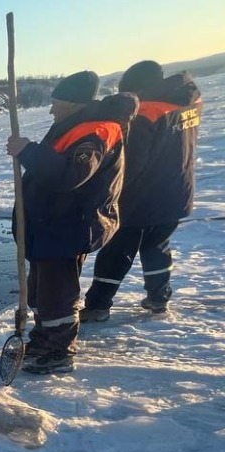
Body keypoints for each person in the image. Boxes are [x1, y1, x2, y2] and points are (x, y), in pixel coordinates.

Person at [6, 71, 138, 374]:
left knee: (57, 294)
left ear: (73, 103)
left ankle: (59, 352)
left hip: (67, 227)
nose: (51, 109)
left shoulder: (95, 133)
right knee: (41, 291)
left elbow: (70, 175)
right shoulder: (75, 126)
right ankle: (44, 340)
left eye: (56, 102)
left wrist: (28, 151)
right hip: (51, 225)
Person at [81, 61, 203, 320]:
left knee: (117, 249)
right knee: (157, 245)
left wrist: (110, 189)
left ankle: (98, 306)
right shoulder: (187, 101)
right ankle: (159, 298)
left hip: (142, 196)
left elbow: (132, 162)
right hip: (178, 191)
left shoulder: (146, 112)